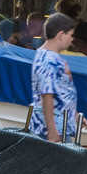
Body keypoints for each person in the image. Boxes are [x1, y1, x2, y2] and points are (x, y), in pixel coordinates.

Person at [28, 14, 79, 144]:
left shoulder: (50, 56)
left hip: (62, 124)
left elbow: (61, 91)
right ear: (61, 34)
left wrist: (75, 115)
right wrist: (52, 130)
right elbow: (47, 94)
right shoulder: (48, 60)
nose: (72, 40)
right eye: (71, 35)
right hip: (53, 129)